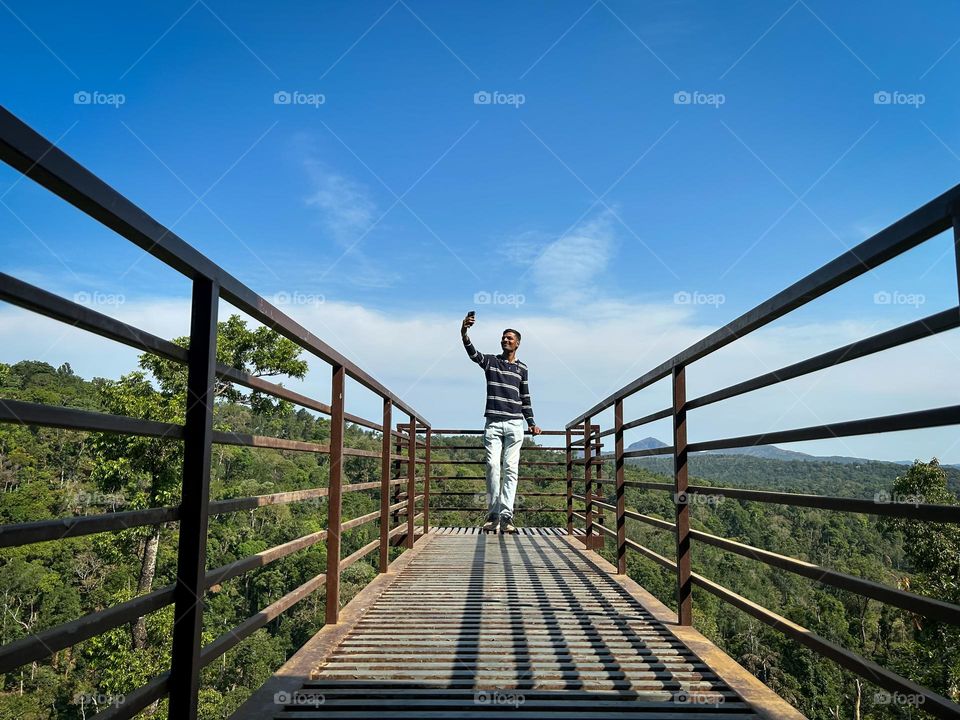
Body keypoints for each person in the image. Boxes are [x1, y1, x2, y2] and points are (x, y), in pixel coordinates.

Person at [461, 312, 541, 533]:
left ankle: (506, 516)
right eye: (503, 337)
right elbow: (472, 353)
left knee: (511, 469)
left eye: (509, 338)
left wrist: (531, 422)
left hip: (515, 424)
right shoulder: (491, 362)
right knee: (493, 466)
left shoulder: (522, 368)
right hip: (494, 424)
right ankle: (493, 514)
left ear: (518, 343)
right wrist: (464, 331)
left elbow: (525, 397)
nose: (505, 340)